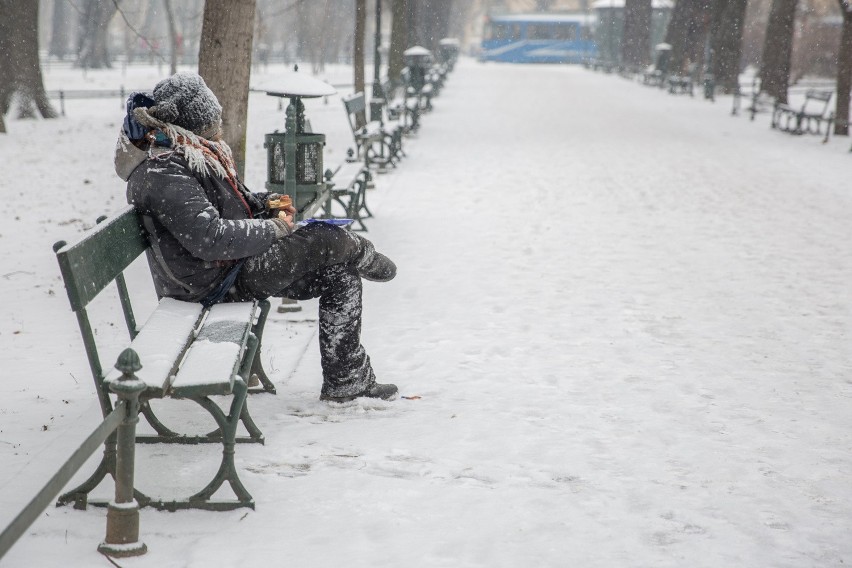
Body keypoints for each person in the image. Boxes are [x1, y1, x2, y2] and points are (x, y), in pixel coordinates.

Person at [113, 71, 398, 403]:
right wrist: (274, 228)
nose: (219, 124)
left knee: (340, 275)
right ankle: (362, 251)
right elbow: (210, 237)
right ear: (196, 123)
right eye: (213, 118)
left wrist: (274, 203)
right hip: (213, 283)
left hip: (230, 268)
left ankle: (348, 381)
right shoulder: (164, 171)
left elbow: (238, 204)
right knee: (325, 239)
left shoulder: (191, 154)